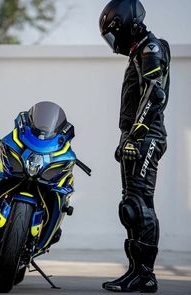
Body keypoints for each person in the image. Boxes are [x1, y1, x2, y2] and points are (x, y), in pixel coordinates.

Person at [99, 0, 170, 292]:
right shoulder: (139, 51)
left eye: (114, 33)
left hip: (146, 136)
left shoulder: (151, 48)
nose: (113, 42)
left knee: (139, 206)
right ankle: (135, 272)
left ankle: (145, 275)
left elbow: (155, 94)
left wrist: (136, 135)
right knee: (130, 207)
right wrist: (126, 137)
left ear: (128, 24)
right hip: (135, 137)